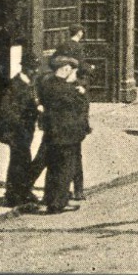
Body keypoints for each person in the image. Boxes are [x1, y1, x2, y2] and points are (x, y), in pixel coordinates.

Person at [34, 55, 89, 214]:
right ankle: (58, 203)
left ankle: (50, 199)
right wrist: (80, 92)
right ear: (65, 69)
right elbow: (79, 107)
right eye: (72, 70)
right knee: (65, 169)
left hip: (52, 132)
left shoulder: (47, 84)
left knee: (53, 168)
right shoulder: (66, 90)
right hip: (67, 135)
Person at [0, 53, 41, 208]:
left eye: (35, 68)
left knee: (24, 159)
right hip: (17, 131)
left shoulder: (30, 84)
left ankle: (23, 191)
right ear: (24, 68)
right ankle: (13, 195)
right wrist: (19, 123)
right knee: (17, 161)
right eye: (32, 68)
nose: (35, 71)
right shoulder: (15, 84)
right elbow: (6, 109)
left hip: (26, 130)